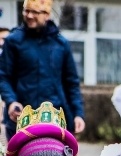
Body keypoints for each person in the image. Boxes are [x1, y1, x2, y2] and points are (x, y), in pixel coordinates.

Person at [0, 0, 84, 139]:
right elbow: (4, 76)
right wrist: (11, 101)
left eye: (35, 12)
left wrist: (78, 114)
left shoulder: (60, 44)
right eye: (26, 11)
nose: (30, 15)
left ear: (47, 14)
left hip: (55, 119)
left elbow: (71, 83)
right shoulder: (13, 41)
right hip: (22, 118)